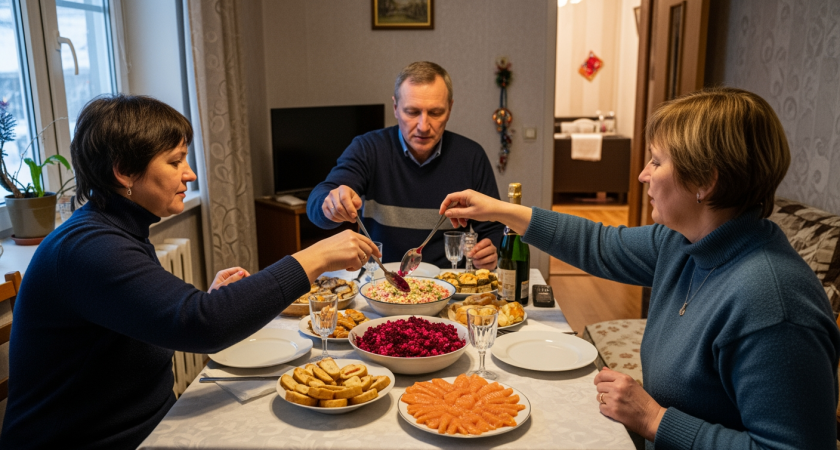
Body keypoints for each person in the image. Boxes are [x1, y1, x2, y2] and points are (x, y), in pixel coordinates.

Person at [439, 88, 840, 449]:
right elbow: (598, 244)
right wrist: (497, 209)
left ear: (706, 182)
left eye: (656, 161)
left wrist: (654, 420)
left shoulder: (773, 304)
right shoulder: (683, 244)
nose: (643, 174)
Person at [0, 95, 380, 449]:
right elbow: (202, 325)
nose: (190, 174)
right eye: (175, 161)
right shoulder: (90, 248)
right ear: (124, 172)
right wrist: (315, 257)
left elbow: (159, 321)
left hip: (152, 424)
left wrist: (209, 303)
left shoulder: (115, 229)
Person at [307, 61, 504, 270]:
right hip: (380, 278)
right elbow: (318, 201)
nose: (423, 126)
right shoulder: (368, 148)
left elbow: (494, 227)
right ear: (395, 108)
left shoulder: (471, 156)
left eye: (435, 112)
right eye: (412, 112)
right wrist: (330, 206)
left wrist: (492, 249)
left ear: (449, 109)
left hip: (448, 279)